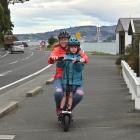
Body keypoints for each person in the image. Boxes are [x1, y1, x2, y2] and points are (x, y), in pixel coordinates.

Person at [48, 30, 89, 116]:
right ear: (59, 40)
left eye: (65, 39)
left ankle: (69, 110)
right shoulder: (57, 49)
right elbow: (51, 58)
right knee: (59, 92)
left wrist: (83, 59)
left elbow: (84, 57)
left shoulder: (73, 48)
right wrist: (54, 58)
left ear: (68, 40)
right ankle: (59, 108)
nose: (64, 41)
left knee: (79, 95)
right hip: (60, 77)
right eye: (62, 39)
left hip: (74, 78)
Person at [60, 38, 85, 112]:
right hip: (65, 80)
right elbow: (60, 66)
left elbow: (80, 69)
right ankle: (61, 109)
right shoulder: (65, 56)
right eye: (71, 47)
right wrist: (61, 61)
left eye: (75, 47)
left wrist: (77, 62)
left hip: (74, 81)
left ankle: (69, 109)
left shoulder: (79, 57)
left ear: (78, 48)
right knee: (64, 95)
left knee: (70, 95)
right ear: (69, 48)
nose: (73, 49)